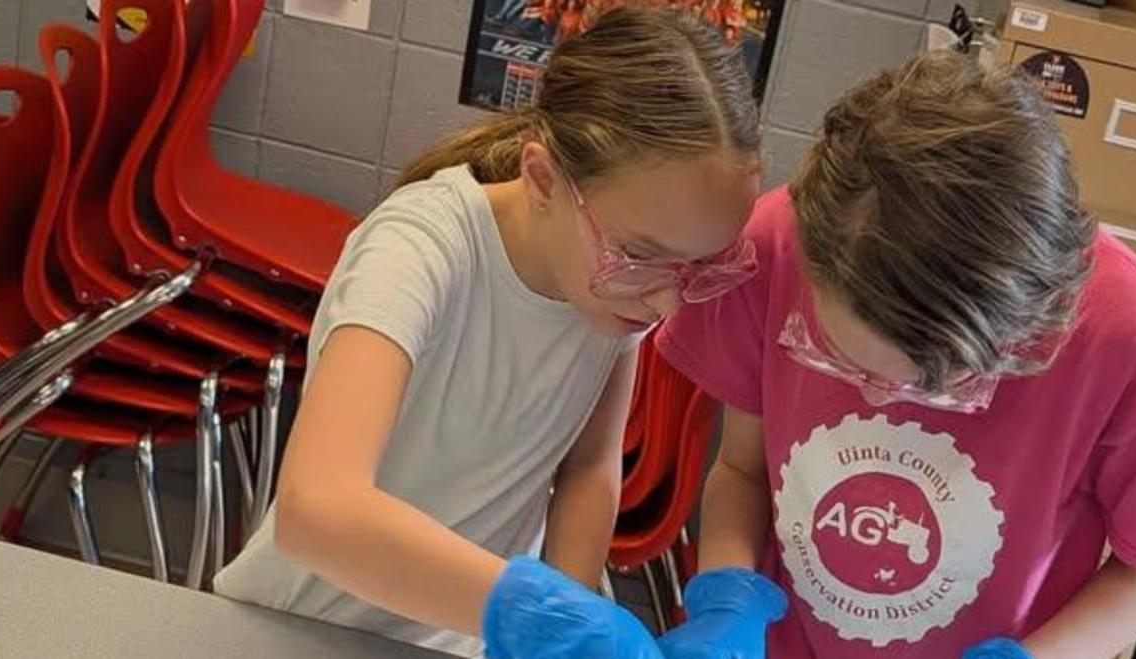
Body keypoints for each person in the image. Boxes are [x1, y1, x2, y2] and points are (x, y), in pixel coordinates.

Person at [211, 7, 763, 658]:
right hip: (302, 628)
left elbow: (589, 466)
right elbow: (316, 508)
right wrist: (538, 614)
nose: (669, 298)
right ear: (543, 179)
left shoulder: (612, 284)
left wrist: (572, 607)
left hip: (458, 639)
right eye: (643, 255)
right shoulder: (419, 246)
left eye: (698, 267)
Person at [652, 53, 1136, 659]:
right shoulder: (777, 247)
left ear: (1022, 327)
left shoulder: (1128, 336)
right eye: (836, 359)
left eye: (931, 382)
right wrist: (730, 603)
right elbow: (743, 470)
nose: (875, 399)